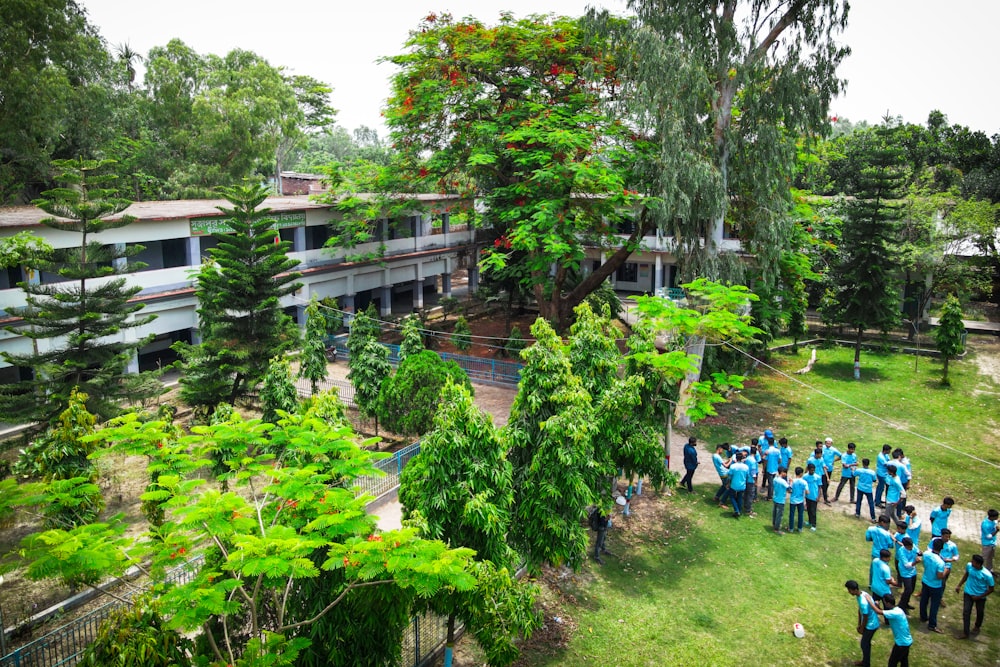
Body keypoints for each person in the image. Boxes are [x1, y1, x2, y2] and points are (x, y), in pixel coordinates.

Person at [955, 553, 995, 639]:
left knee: (980, 612)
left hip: (980, 596)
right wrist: (959, 585)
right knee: (966, 612)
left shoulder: (987, 575)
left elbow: (991, 589)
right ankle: (966, 632)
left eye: (973, 561)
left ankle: (977, 626)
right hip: (968, 593)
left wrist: (979, 597)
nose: (971, 562)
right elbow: (966, 575)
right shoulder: (969, 566)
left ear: (978, 564)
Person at [845, 580, 880, 667]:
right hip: (870, 623)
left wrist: (861, 628)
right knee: (865, 643)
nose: (848, 592)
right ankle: (865, 662)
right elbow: (860, 611)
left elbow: (866, 616)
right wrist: (859, 623)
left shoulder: (863, 601)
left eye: (849, 590)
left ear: (854, 590)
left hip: (871, 625)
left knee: (864, 644)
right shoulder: (862, 593)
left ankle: (866, 663)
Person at [919, 537, 949, 633]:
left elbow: (924, 564)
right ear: (941, 548)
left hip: (925, 580)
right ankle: (932, 625)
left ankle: (923, 617)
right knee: (934, 605)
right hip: (935, 585)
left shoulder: (926, 554)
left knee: (924, 600)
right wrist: (946, 571)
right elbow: (940, 576)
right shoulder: (940, 562)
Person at [875, 595, 913, 667]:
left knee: (892, 663)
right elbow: (884, 612)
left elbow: (878, 612)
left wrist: (870, 601)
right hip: (907, 642)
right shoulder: (898, 610)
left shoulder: (894, 613)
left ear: (888, 603)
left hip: (901, 643)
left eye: (884, 602)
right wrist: (878, 607)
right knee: (904, 661)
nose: (884, 603)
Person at [896, 536, 920, 612]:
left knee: (912, 589)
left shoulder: (913, 547)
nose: (912, 547)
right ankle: (901, 605)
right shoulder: (901, 551)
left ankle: (906, 603)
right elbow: (906, 565)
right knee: (908, 589)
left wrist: (919, 554)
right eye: (910, 546)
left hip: (913, 571)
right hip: (905, 572)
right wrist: (916, 562)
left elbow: (918, 551)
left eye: (912, 545)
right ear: (905, 546)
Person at [727, 451, 749, 518]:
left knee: (732, 497)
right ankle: (739, 510)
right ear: (742, 458)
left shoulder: (733, 466)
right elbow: (747, 476)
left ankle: (736, 510)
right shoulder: (746, 467)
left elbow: (730, 476)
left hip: (734, 485)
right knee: (740, 497)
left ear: (736, 458)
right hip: (742, 485)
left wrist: (728, 483)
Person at [821, 437, 841, 505]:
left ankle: (825, 492)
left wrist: (834, 460)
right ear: (825, 442)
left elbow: (841, 455)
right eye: (827, 443)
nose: (828, 444)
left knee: (827, 482)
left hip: (829, 468)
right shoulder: (822, 448)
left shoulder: (833, 449)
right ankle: (824, 495)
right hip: (821, 467)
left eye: (829, 443)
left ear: (831, 443)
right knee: (822, 481)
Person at [804, 462, 822, 531]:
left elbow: (819, 487)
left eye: (813, 470)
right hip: (808, 496)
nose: (812, 471)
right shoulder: (805, 476)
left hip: (814, 496)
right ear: (808, 469)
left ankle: (814, 525)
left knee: (813, 511)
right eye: (811, 470)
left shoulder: (817, 477)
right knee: (808, 509)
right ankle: (809, 521)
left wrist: (819, 496)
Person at [788, 466, 807, 532]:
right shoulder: (804, 482)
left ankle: (791, 528)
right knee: (800, 514)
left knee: (792, 514)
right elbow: (807, 492)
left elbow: (789, 491)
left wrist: (789, 483)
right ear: (801, 473)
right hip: (800, 500)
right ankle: (800, 528)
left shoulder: (792, 481)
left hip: (793, 500)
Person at [772, 467, 789, 535]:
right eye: (785, 473)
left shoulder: (775, 479)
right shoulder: (783, 481)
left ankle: (774, 524)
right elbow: (789, 489)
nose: (786, 474)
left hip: (775, 497)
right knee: (779, 514)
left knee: (775, 513)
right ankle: (777, 529)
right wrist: (790, 483)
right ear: (782, 472)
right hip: (781, 499)